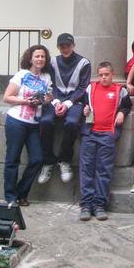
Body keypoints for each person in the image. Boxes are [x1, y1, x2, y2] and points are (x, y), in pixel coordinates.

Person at [79, 61, 132, 221]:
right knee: (86, 169)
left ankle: (100, 204)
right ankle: (86, 205)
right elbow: (83, 104)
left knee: (104, 170)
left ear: (112, 74)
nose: (103, 78)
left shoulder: (120, 91)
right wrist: (85, 109)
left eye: (106, 75)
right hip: (90, 134)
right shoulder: (90, 88)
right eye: (101, 75)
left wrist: (122, 112)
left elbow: (127, 105)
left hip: (108, 135)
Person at [3, 45, 53, 205]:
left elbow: (49, 97)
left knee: (37, 159)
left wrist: (45, 100)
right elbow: (7, 97)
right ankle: (11, 197)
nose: (40, 59)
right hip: (16, 121)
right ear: (30, 58)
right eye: (37, 56)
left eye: (43, 57)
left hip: (33, 124)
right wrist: (26, 101)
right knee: (12, 160)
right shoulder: (22, 74)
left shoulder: (46, 77)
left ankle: (21, 192)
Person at [38, 33, 91, 185]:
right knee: (46, 121)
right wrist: (55, 102)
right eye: (62, 46)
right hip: (55, 100)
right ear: (58, 47)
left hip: (75, 102)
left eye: (68, 45)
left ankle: (64, 160)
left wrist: (67, 103)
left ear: (73, 45)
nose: (65, 48)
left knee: (72, 123)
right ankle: (48, 161)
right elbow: (51, 84)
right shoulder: (53, 62)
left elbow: (82, 87)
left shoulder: (84, 63)